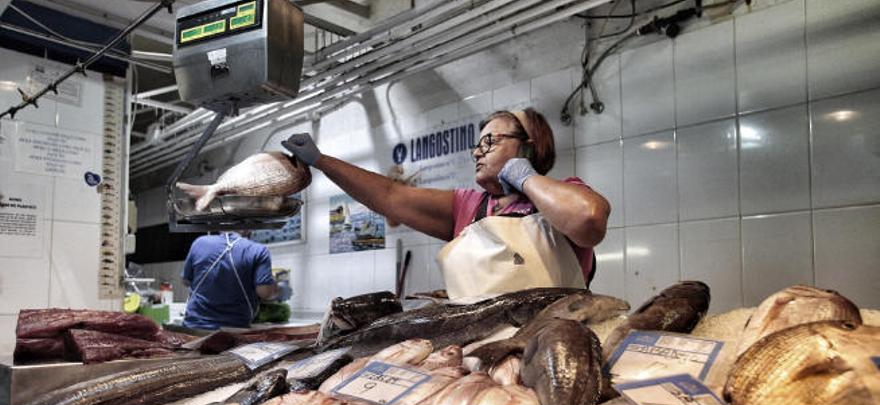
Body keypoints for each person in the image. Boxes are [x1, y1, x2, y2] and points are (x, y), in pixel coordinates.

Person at [283, 107, 610, 298]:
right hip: (479, 361)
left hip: (550, 352)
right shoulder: (469, 206)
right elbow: (390, 196)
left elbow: (588, 220)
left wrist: (525, 176)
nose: (477, 152)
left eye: (489, 141)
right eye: (477, 144)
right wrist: (322, 161)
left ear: (528, 145)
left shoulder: (564, 193)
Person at [181, 231, 278, 329]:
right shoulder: (258, 250)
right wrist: (279, 290)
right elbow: (265, 292)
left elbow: (186, 281)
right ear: (248, 228)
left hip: (194, 329)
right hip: (233, 332)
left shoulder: (199, 243)